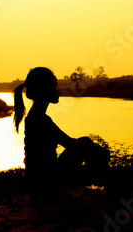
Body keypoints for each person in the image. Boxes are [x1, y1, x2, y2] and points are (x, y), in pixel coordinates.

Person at [13, 67, 110, 201]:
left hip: (38, 180)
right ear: (44, 89)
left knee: (85, 142)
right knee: (89, 146)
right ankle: (107, 186)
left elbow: (68, 142)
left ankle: (102, 184)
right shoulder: (39, 119)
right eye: (55, 86)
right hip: (44, 182)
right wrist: (99, 150)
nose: (59, 90)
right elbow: (69, 143)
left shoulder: (36, 116)